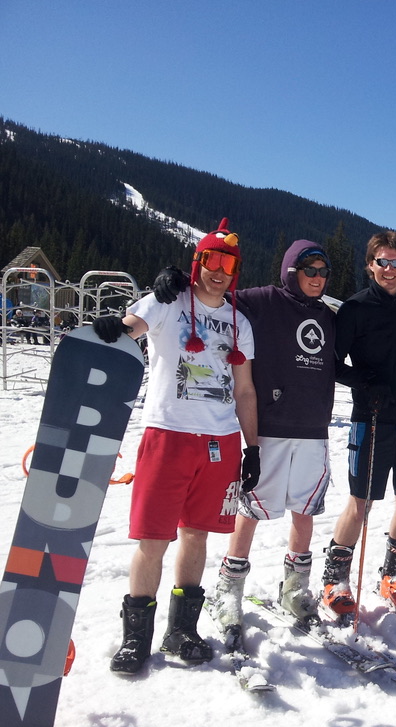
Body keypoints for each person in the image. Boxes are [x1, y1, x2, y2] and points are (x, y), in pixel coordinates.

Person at [94, 218, 259, 674]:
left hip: (219, 443)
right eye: (212, 260)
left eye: (229, 263)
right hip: (167, 435)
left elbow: (244, 390)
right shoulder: (166, 301)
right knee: (152, 539)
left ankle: (181, 630)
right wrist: (114, 327)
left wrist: (253, 448)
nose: (219, 270)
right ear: (198, 262)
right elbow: (132, 325)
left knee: (197, 534)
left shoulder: (239, 322)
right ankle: (135, 638)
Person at [161, 239, 338, 630]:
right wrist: (178, 283)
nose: (317, 278)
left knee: (306, 508)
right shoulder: (263, 300)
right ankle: (230, 588)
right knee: (252, 509)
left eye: (324, 272)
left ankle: (294, 587)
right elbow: (215, 291)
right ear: (292, 271)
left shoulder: (328, 315)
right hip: (271, 426)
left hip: (314, 429)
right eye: (309, 270)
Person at [321, 232, 396, 620]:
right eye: (382, 262)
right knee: (362, 502)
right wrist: (365, 384)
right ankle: (335, 577)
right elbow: (331, 362)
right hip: (370, 419)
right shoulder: (355, 310)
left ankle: (393, 574)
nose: (389, 270)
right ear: (370, 264)